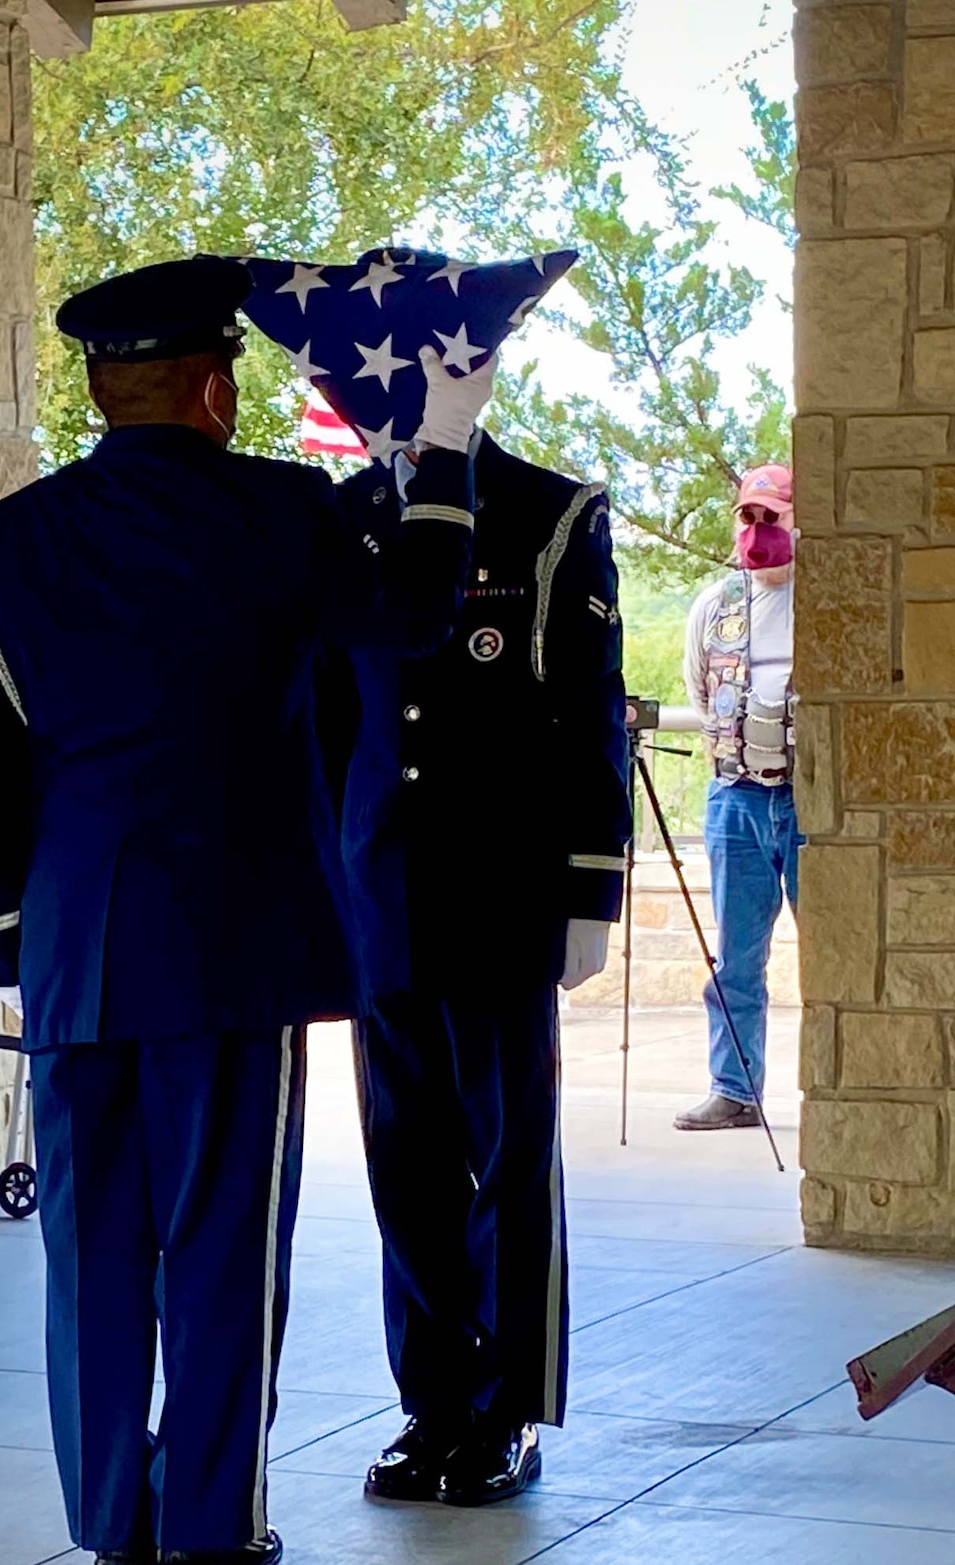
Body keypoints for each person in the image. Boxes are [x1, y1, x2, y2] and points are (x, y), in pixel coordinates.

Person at [0, 258, 490, 1565]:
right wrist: (446, 450)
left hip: (77, 944)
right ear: (208, 390)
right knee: (220, 1241)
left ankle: (113, 1529)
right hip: (232, 941)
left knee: (91, 1249)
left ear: (98, 392)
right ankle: (206, 1527)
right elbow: (412, 611)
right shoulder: (279, 513)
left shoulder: (7, 540)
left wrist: (15, 942)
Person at [333, 432, 630, 1506]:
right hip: (382, 894)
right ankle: (432, 1401)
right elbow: (331, 717)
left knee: (505, 1155)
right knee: (404, 1164)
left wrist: (587, 885)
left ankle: (504, 1408)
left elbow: (590, 710)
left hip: (498, 888)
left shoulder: (548, 514)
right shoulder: (350, 513)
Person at [675, 463, 799, 1133]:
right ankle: (734, 1087)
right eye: (747, 517)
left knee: (832, 950)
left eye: (769, 517)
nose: (757, 531)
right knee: (736, 957)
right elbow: (699, 690)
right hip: (737, 799)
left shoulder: (825, 598)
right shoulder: (715, 605)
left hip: (808, 802)